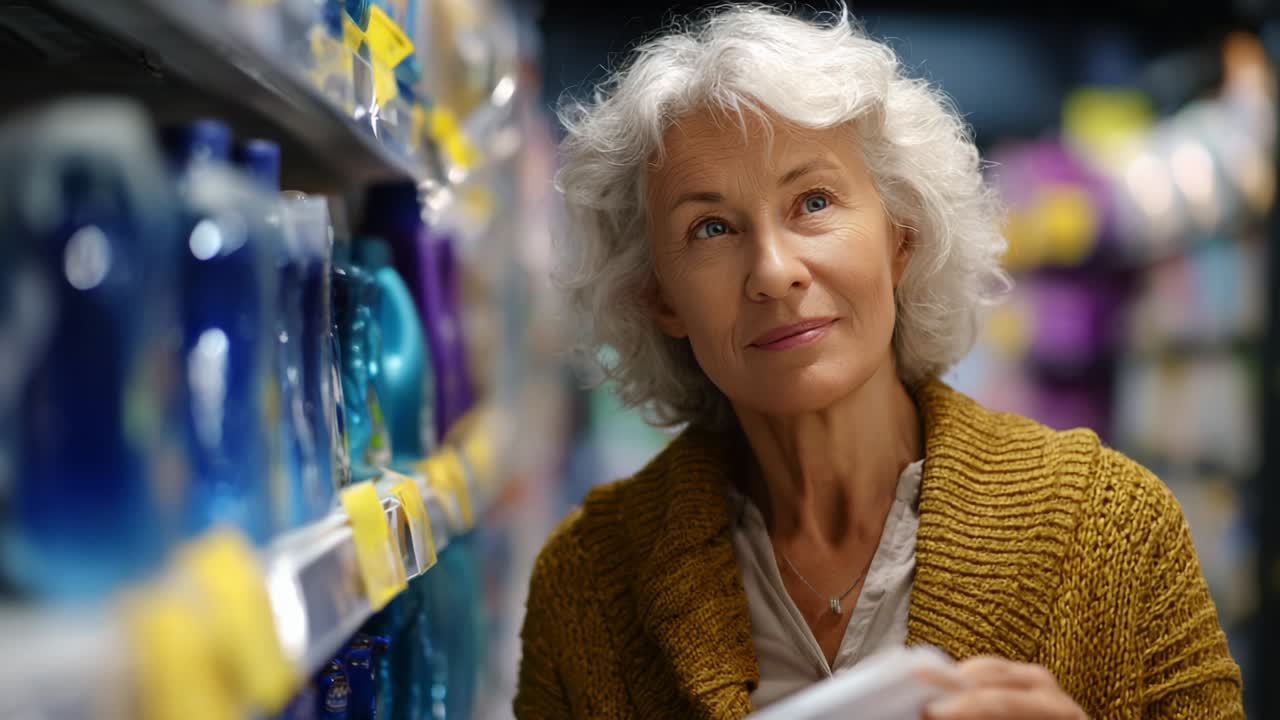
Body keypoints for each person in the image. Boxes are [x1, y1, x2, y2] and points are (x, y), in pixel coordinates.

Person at [515, 5, 1243, 719]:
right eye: (710, 227)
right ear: (659, 297)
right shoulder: (588, 584)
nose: (774, 270)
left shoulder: (1113, 526)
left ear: (902, 236)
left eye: (814, 201)